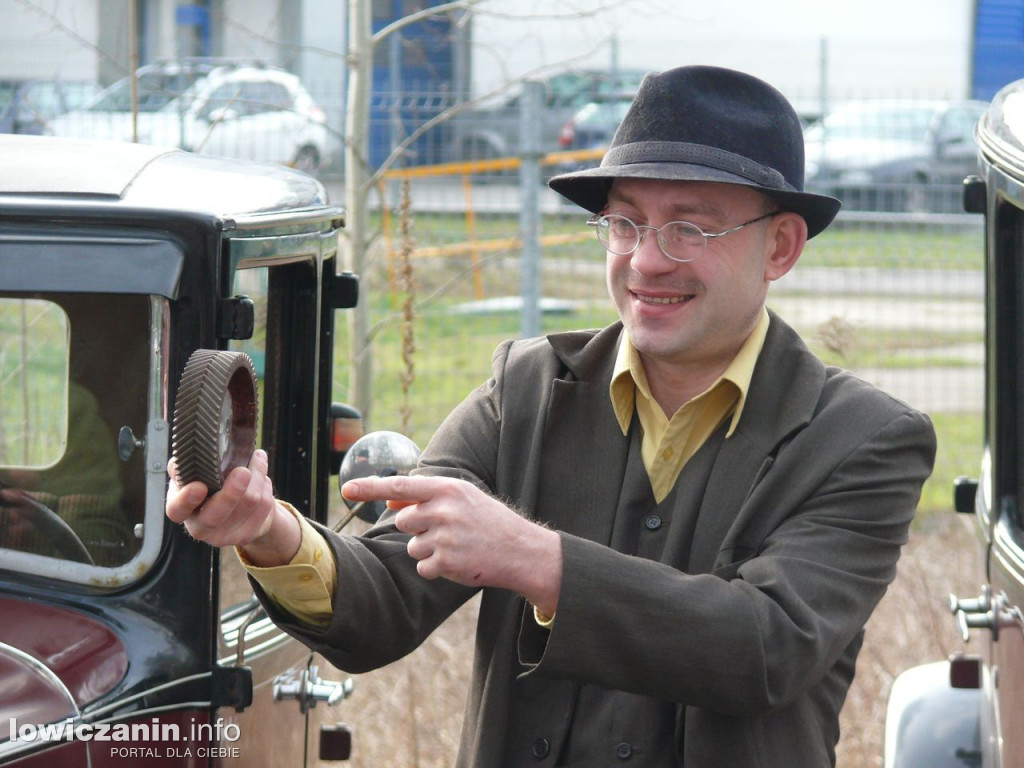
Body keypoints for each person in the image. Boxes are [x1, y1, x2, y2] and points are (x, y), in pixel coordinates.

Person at [166, 65, 936, 767]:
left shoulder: (863, 439)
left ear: (781, 246)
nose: (645, 261)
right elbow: (384, 603)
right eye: (625, 222)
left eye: (690, 228)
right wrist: (266, 531)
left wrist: (535, 560)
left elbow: (769, 646)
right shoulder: (526, 388)